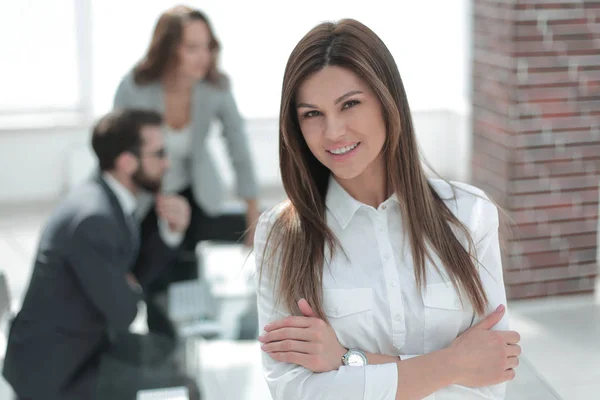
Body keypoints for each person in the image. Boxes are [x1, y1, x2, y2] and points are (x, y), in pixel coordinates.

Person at [254, 19, 521, 400]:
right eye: (312, 114)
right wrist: (453, 364)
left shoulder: (469, 215)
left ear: (387, 101)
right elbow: (296, 391)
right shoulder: (281, 234)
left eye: (350, 104)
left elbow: (492, 377)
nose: (333, 132)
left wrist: (347, 359)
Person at [3, 109, 200, 400]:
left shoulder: (106, 197)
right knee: (186, 384)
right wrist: (127, 286)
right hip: (59, 374)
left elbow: (131, 279)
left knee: (172, 351)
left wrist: (171, 233)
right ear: (126, 162)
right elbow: (124, 313)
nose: (167, 163)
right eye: (159, 154)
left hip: (83, 345)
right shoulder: (94, 218)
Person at [114, 5, 259, 290]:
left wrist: (252, 210)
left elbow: (238, 146)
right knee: (155, 274)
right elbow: (116, 155)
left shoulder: (215, 87)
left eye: (208, 47)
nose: (204, 57)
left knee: (189, 267)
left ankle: (190, 317)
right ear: (168, 49)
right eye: (192, 48)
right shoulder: (134, 87)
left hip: (196, 189)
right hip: (147, 193)